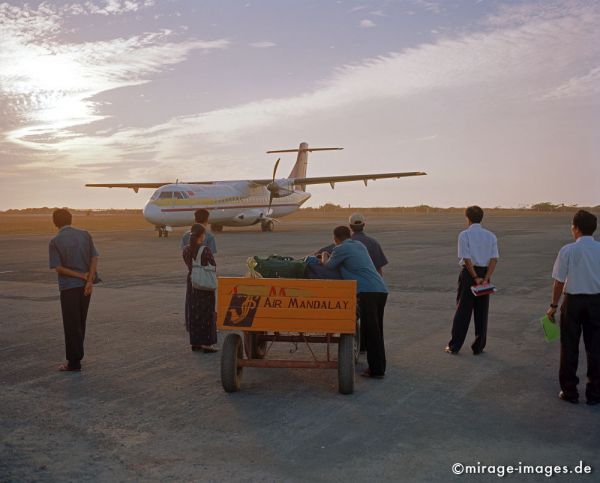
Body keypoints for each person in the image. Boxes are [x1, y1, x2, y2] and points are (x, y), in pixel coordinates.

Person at [547, 210, 600, 405]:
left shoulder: (567, 250)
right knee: (595, 348)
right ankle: (595, 392)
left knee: (569, 347)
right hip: (596, 302)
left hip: (573, 302)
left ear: (576, 228)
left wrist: (553, 305)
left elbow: (559, 282)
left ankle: (569, 391)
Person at [322, 226, 388, 378]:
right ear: (349, 235)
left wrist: (324, 255)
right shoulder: (359, 245)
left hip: (367, 292)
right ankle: (379, 367)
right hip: (380, 290)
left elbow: (329, 265)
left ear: (335, 238)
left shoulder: (341, 248)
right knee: (377, 332)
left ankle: (376, 370)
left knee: (371, 332)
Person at [48, 209, 99, 372]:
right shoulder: (85, 234)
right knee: (80, 321)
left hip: (69, 287)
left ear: (55, 222)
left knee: (71, 324)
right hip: (86, 287)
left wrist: (81, 276)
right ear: (70, 219)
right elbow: (94, 257)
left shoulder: (55, 241)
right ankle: (78, 355)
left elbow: (58, 267)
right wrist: (89, 280)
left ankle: (74, 362)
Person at [445, 206, 498, 355]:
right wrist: (485, 278)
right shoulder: (491, 236)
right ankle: (479, 346)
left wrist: (475, 277)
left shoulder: (464, 235)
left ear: (467, 218)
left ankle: (455, 345)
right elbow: (494, 259)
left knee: (463, 310)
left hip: (470, 275)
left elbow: (466, 258)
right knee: (482, 311)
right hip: (485, 274)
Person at [183, 224, 218, 353]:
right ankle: (207, 344)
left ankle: (195, 343)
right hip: (204, 284)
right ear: (202, 235)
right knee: (207, 314)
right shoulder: (205, 250)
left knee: (194, 313)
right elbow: (213, 265)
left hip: (192, 282)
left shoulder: (186, 250)